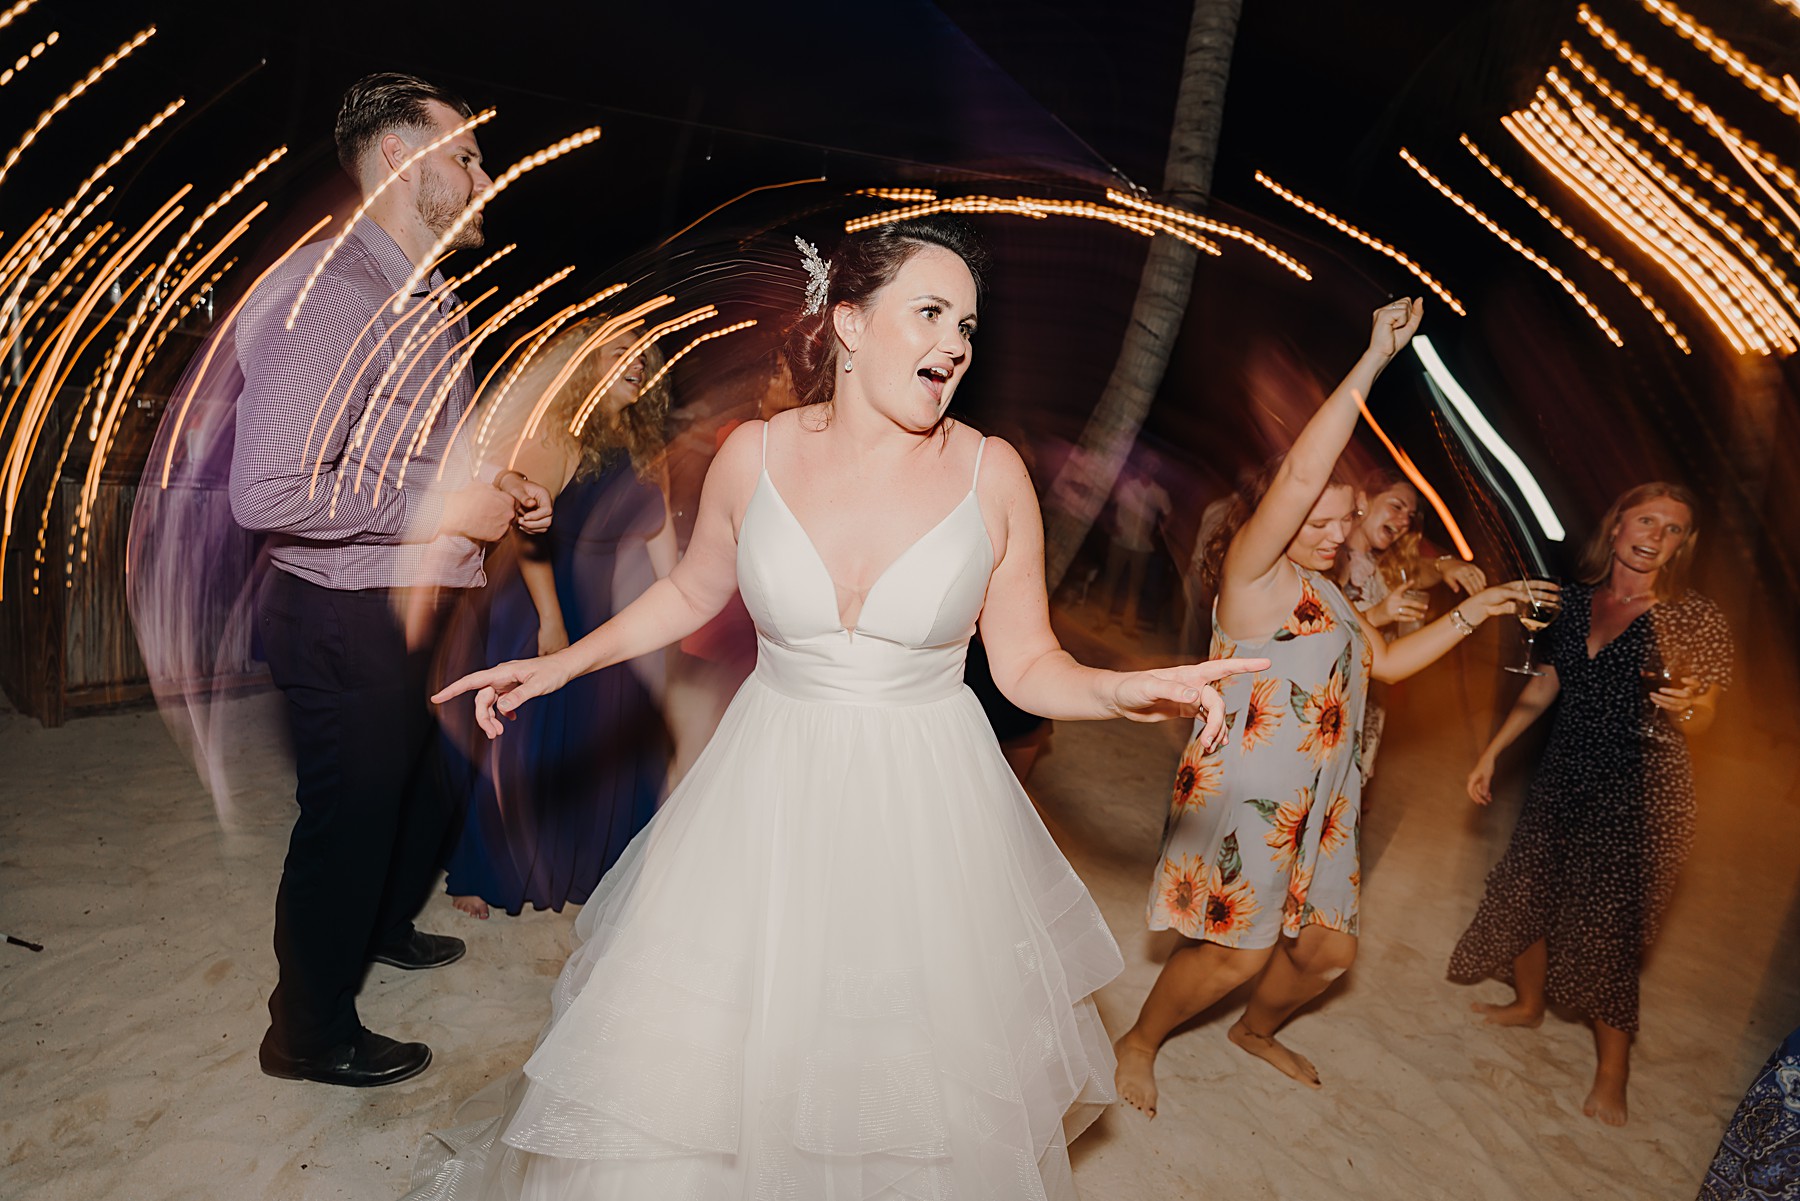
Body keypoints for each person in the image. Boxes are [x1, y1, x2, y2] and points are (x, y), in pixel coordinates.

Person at [407, 218, 1265, 1199]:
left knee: (900, 1060)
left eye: (969, 327)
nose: (954, 344)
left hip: (924, 800)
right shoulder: (754, 454)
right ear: (850, 324)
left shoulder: (992, 476)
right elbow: (691, 591)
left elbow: (1026, 665)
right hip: (772, 779)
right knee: (717, 1046)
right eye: (931, 313)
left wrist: (1122, 688)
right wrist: (562, 664)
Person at [1112, 299, 1546, 1117]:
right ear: (1276, 513)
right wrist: (1372, 360)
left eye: (1343, 521)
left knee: (1328, 951)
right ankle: (1139, 1040)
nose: (1333, 528)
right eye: (1318, 516)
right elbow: (1303, 473)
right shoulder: (1256, 577)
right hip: (1254, 793)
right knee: (1235, 954)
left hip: (1326, 802)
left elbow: (1381, 660)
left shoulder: (1332, 593)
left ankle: (1254, 1032)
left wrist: (1474, 614)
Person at [229, 73, 551, 1088]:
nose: (484, 176)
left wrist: (491, 489)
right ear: (396, 160)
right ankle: (307, 1032)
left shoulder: (426, 291)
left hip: (409, 602)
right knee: (347, 820)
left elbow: (404, 459)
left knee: (409, 795)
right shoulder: (336, 294)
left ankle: (372, 929)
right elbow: (270, 486)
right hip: (344, 611)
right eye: (465, 155)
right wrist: (445, 511)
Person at [1449, 482, 1732, 1127]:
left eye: (1674, 530)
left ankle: (1613, 1072)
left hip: (1643, 792)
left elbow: (1706, 709)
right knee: (1530, 890)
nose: (1657, 536)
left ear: (1683, 546)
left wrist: (1691, 708)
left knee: (1609, 930)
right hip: (1564, 772)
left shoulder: (1692, 617)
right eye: (1647, 519)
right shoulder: (1575, 602)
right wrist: (1493, 750)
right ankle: (1527, 1004)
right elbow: (1548, 681)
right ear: (1618, 524)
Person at [444, 320, 676, 919]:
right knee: (524, 743)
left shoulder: (649, 445)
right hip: (544, 600)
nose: (637, 362)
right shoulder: (561, 434)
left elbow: (662, 543)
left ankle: (596, 865)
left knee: (607, 738)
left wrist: (679, 616)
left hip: (608, 609)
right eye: (621, 350)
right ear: (585, 365)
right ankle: (481, 869)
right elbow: (529, 530)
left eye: (645, 355)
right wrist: (550, 621)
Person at [1336, 467, 1488, 780]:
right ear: (1363, 500)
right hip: (1335, 699)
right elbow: (1325, 629)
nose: (1405, 520)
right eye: (1396, 506)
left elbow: (1420, 569)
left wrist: (1446, 564)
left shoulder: (1383, 563)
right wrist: (1379, 613)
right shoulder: (1330, 558)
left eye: (1411, 514)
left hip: (1369, 699)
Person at [1100, 459, 1173, 636]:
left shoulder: (1159, 493)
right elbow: (1111, 505)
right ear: (1140, 466)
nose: (1148, 469)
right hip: (1120, 541)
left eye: (1153, 467)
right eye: (1146, 465)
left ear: (1156, 470)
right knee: (1111, 581)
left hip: (1142, 546)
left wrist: (1158, 534)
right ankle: (1101, 620)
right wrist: (1111, 525)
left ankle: (1128, 626)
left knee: (1135, 588)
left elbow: (1169, 515)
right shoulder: (1128, 486)